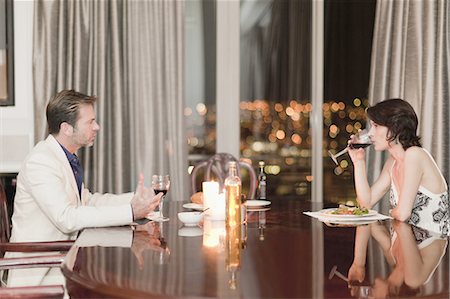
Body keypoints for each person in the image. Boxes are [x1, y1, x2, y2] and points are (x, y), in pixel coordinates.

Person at [8, 89, 162, 244]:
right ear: (67, 128)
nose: (97, 127)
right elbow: (66, 218)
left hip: (66, 253)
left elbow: (86, 201)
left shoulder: (65, 156)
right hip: (43, 261)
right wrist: (131, 212)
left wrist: (134, 199)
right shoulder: (41, 162)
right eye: (90, 122)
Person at [348, 98, 449, 236]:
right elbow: (366, 203)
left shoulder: (415, 154)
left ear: (396, 127)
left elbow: (402, 214)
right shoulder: (392, 162)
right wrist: (358, 162)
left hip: (434, 244)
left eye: (376, 126)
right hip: (406, 243)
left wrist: (391, 212)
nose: (370, 133)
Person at [347, 221, 448, 298]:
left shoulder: (393, 257)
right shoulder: (415, 277)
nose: (369, 296)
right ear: (390, 296)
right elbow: (402, 225)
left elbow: (369, 220)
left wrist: (358, 264)